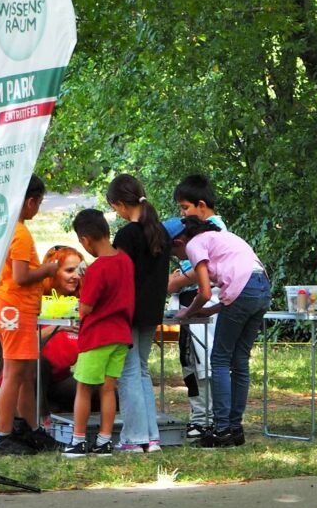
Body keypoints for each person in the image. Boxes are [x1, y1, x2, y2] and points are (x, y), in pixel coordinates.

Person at [174, 216, 271, 448]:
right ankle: (235, 429)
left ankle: (221, 431)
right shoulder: (223, 237)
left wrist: (188, 311)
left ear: (179, 242)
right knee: (239, 361)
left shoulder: (194, 244)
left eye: (173, 252)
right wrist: (211, 311)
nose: (178, 257)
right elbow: (240, 285)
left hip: (243, 291)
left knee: (219, 359)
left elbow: (205, 292)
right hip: (263, 289)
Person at [0, 175, 61, 456]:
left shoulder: (11, 229)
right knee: (14, 374)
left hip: (20, 309)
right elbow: (20, 276)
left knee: (26, 374)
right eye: (39, 202)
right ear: (30, 201)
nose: (38, 208)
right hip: (13, 309)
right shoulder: (19, 233)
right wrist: (48, 269)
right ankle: (2, 436)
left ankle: (31, 430)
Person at [105, 174, 171, 454]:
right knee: (141, 370)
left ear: (120, 205)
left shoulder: (127, 235)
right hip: (152, 310)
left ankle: (134, 437)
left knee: (128, 372)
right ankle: (150, 437)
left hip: (128, 311)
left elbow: (120, 275)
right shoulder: (161, 232)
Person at [63, 209, 135, 458]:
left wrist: (82, 286)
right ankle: (105, 440)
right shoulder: (125, 260)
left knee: (83, 387)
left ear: (85, 240)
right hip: (121, 335)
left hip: (97, 336)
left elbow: (85, 309)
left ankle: (78, 439)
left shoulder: (97, 269)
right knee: (108, 388)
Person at [166, 174, 226, 438]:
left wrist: (175, 282)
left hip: (204, 300)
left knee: (203, 362)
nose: (183, 214)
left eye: (185, 208)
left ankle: (206, 417)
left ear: (202, 206)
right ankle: (200, 415)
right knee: (191, 360)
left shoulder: (212, 230)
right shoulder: (200, 232)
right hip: (192, 301)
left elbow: (203, 272)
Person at [37, 245, 84, 420]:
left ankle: (58, 411)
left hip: (62, 380)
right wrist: (58, 327)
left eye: (79, 270)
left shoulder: (83, 303)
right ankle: (42, 420)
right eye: (69, 270)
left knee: (107, 394)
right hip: (31, 380)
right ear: (54, 272)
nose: (76, 276)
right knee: (39, 363)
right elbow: (25, 342)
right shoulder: (36, 301)